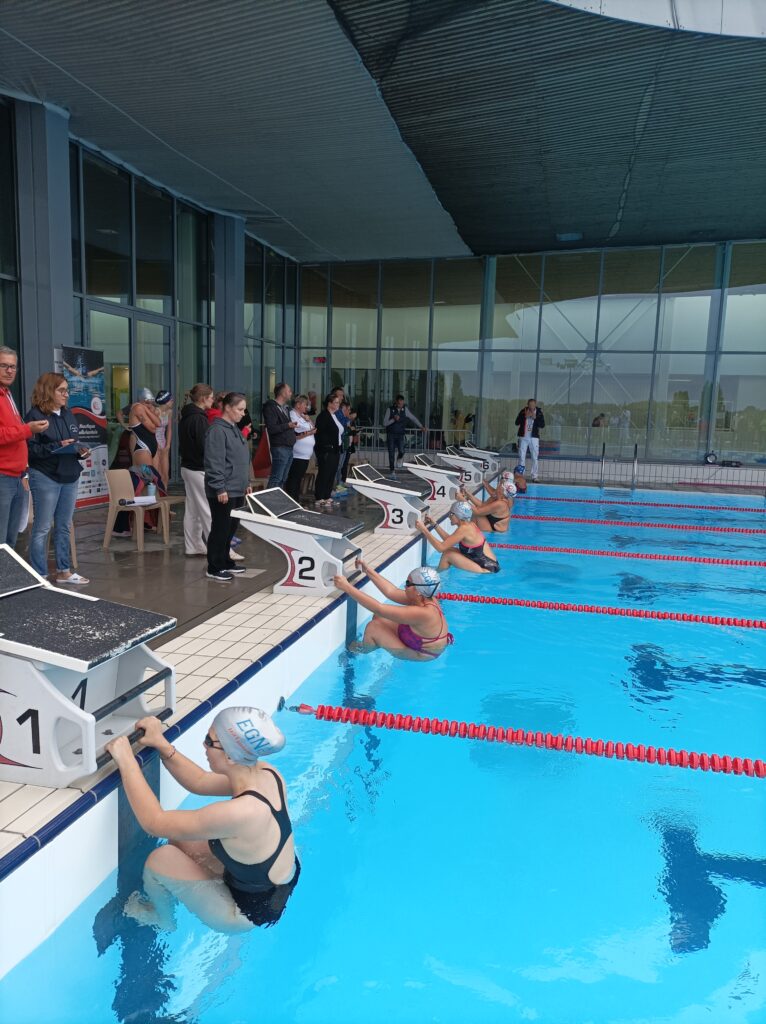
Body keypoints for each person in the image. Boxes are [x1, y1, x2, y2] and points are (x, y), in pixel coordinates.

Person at [105, 707, 299, 933]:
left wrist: (126, 761)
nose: (203, 745)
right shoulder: (267, 773)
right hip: (274, 881)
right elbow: (200, 781)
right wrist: (161, 744)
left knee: (160, 858)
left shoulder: (240, 813)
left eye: (209, 740)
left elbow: (154, 823)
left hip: (246, 912)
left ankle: (163, 919)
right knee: (180, 840)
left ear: (230, 755)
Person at [24, 373, 90, 584]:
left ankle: (64, 571)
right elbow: (30, 451)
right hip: (46, 475)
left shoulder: (68, 414)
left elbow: (73, 443)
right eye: (61, 390)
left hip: (70, 474)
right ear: (48, 391)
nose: (66, 394)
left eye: (67, 390)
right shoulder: (34, 416)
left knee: (64, 525)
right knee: (43, 527)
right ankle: (40, 575)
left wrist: (81, 452)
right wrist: (57, 446)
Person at [334, 562, 453, 660]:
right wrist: (367, 570)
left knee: (373, 628)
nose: (405, 586)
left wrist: (347, 587)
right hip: (417, 638)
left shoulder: (424, 613)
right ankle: (377, 642)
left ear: (418, 590)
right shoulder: (424, 596)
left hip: (421, 653)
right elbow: (392, 592)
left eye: (408, 583)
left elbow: (379, 608)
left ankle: (360, 651)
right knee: (379, 617)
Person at [0, 347, 48, 546]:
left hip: (16, 477)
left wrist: (24, 472)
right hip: (3, 477)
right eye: (4, 365)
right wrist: (28, 429)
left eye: (13, 367)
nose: (9, 371)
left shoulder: (6, 394)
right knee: (2, 541)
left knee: (10, 541)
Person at [204, 392, 252, 582]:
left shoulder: (233, 428)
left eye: (244, 410)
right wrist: (219, 488)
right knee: (221, 528)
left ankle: (225, 561)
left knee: (231, 528)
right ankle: (214, 566)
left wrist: (246, 482)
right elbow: (214, 461)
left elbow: (241, 459)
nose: (243, 413)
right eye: (240, 409)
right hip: (224, 489)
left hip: (236, 487)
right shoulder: (217, 430)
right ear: (228, 408)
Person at [416, 501, 500, 574]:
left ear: (458, 515)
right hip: (490, 565)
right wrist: (434, 525)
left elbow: (440, 548)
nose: (449, 516)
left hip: (487, 568)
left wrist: (424, 530)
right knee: (449, 549)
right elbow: (449, 541)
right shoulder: (469, 525)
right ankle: (439, 571)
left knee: (448, 554)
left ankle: (437, 576)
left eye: (451, 514)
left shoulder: (464, 529)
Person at [179, 383, 214, 556]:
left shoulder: (187, 416)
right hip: (198, 467)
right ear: (203, 399)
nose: (213, 400)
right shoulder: (199, 419)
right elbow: (204, 446)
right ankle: (219, 548)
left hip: (188, 467)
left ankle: (194, 545)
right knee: (207, 510)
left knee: (193, 509)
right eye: (211, 397)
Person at [262, 382, 296, 490]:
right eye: (289, 391)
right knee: (276, 478)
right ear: (283, 393)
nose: (291, 393)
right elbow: (272, 428)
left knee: (283, 478)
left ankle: (277, 499)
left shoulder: (285, 408)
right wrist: (288, 425)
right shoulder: (271, 407)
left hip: (288, 447)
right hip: (280, 447)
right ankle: (269, 499)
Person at [383, 395, 426, 475]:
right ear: (396, 402)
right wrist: (393, 419)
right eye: (399, 403)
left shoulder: (405, 409)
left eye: (402, 403)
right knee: (391, 453)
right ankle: (392, 470)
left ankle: (399, 458)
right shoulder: (390, 409)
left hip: (400, 434)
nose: (401, 405)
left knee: (402, 450)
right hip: (391, 434)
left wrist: (421, 426)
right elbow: (385, 423)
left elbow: (413, 418)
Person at [313, 393, 344, 506]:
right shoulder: (323, 416)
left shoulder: (333, 416)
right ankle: (319, 496)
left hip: (335, 449)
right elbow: (320, 434)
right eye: (336, 402)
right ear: (329, 404)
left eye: (338, 403)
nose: (338, 405)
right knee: (324, 473)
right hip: (326, 450)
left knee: (331, 473)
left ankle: (327, 495)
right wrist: (325, 447)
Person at [284, 395, 316, 501]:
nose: (307, 407)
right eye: (305, 404)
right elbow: (296, 433)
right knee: (294, 478)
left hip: (305, 455)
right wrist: (309, 432)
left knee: (299, 478)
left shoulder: (303, 416)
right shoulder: (292, 415)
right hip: (297, 454)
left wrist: (309, 420)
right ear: (298, 405)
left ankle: (296, 499)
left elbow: (313, 428)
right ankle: (292, 499)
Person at [514, 398, 544, 481]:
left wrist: (535, 418)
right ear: (528, 405)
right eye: (530, 405)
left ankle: (535, 476)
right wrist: (525, 417)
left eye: (533, 405)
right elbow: (516, 422)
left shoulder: (539, 412)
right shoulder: (523, 411)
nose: (531, 406)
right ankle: (521, 475)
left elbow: (542, 425)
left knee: (535, 456)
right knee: (521, 456)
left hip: (534, 438)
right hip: (523, 437)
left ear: (535, 405)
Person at [152, 390, 174, 488]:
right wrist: (156, 445)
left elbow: (169, 429)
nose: (173, 401)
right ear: (166, 401)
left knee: (165, 474)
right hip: (154, 442)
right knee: (157, 473)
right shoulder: (156, 412)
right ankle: (156, 495)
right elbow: (151, 430)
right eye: (171, 400)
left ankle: (164, 493)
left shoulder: (169, 412)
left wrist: (168, 445)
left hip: (163, 442)